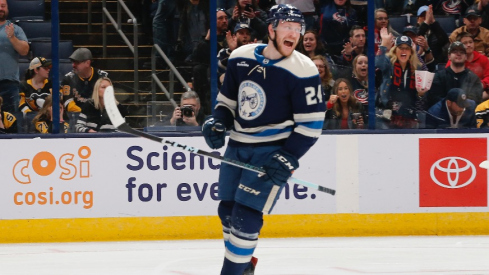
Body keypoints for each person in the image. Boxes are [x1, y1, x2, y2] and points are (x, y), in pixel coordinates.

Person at [201, 4, 325, 274]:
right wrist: (218, 122)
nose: (294, 33)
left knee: (246, 216)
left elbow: (312, 125)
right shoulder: (240, 56)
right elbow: (226, 103)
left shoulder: (303, 70)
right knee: (228, 210)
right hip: (237, 146)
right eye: (287, 27)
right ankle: (243, 267)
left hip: (270, 151)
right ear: (272, 29)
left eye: (297, 29)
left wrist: (288, 155)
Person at [376, 30, 425, 129]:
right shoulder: (389, 63)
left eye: (407, 48)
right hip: (387, 112)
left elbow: (421, 95)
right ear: (395, 50)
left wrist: (421, 94)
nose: (404, 51)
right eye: (401, 48)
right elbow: (377, 63)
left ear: (411, 52)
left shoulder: (417, 67)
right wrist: (383, 46)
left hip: (409, 113)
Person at [425, 41, 484, 109]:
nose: (458, 54)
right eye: (455, 52)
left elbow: (475, 102)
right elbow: (434, 100)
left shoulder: (474, 78)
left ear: (466, 57)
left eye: (462, 52)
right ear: (449, 56)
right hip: (442, 115)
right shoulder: (439, 76)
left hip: (466, 116)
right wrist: (452, 107)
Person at [0, 0, 30, 114]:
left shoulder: (15, 29)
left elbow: (24, 51)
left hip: (9, 84)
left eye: (3, 6)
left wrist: (12, 38)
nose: (1, 9)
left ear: (7, 8)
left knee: (12, 124)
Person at [61, 48, 109, 113]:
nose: (73, 65)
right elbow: (67, 103)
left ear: (87, 63)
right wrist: (84, 114)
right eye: (73, 62)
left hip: (99, 115)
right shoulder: (68, 78)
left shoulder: (102, 77)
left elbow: (108, 100)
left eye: (77, 62)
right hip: (76, 116)